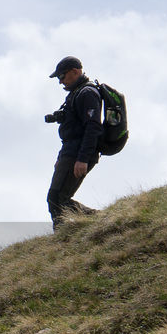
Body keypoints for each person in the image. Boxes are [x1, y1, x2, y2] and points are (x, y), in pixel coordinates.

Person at [44, 56, 103, 229]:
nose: (60, 81)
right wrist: (61, 157)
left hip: (78, 155)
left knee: (56, 199)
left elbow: (93, 127)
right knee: (57, 198)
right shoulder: (76, 94)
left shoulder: (87, 93)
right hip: (70, 154)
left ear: (75, 72)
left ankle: (98, 220)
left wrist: (83, 159)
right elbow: (71, 132)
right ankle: (98, 220)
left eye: (62, 76)